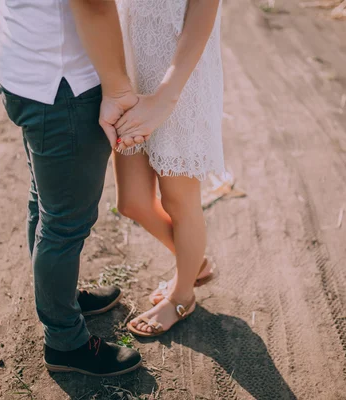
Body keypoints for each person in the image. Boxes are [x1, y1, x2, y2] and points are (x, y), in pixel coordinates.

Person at [0, 0, 142, 376]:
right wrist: (118, 89)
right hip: (64, 85)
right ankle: (66, 343)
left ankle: (60, 300)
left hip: (24, 62)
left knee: (45, 202)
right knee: (64, 223)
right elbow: (92, 4)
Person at [113, 0, 225, 337]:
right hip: (131, 75)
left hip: (180, 84)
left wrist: (168, 95)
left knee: (179, 200)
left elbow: (204, 12)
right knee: (132, 201)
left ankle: (182, 295)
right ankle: (194, 263)